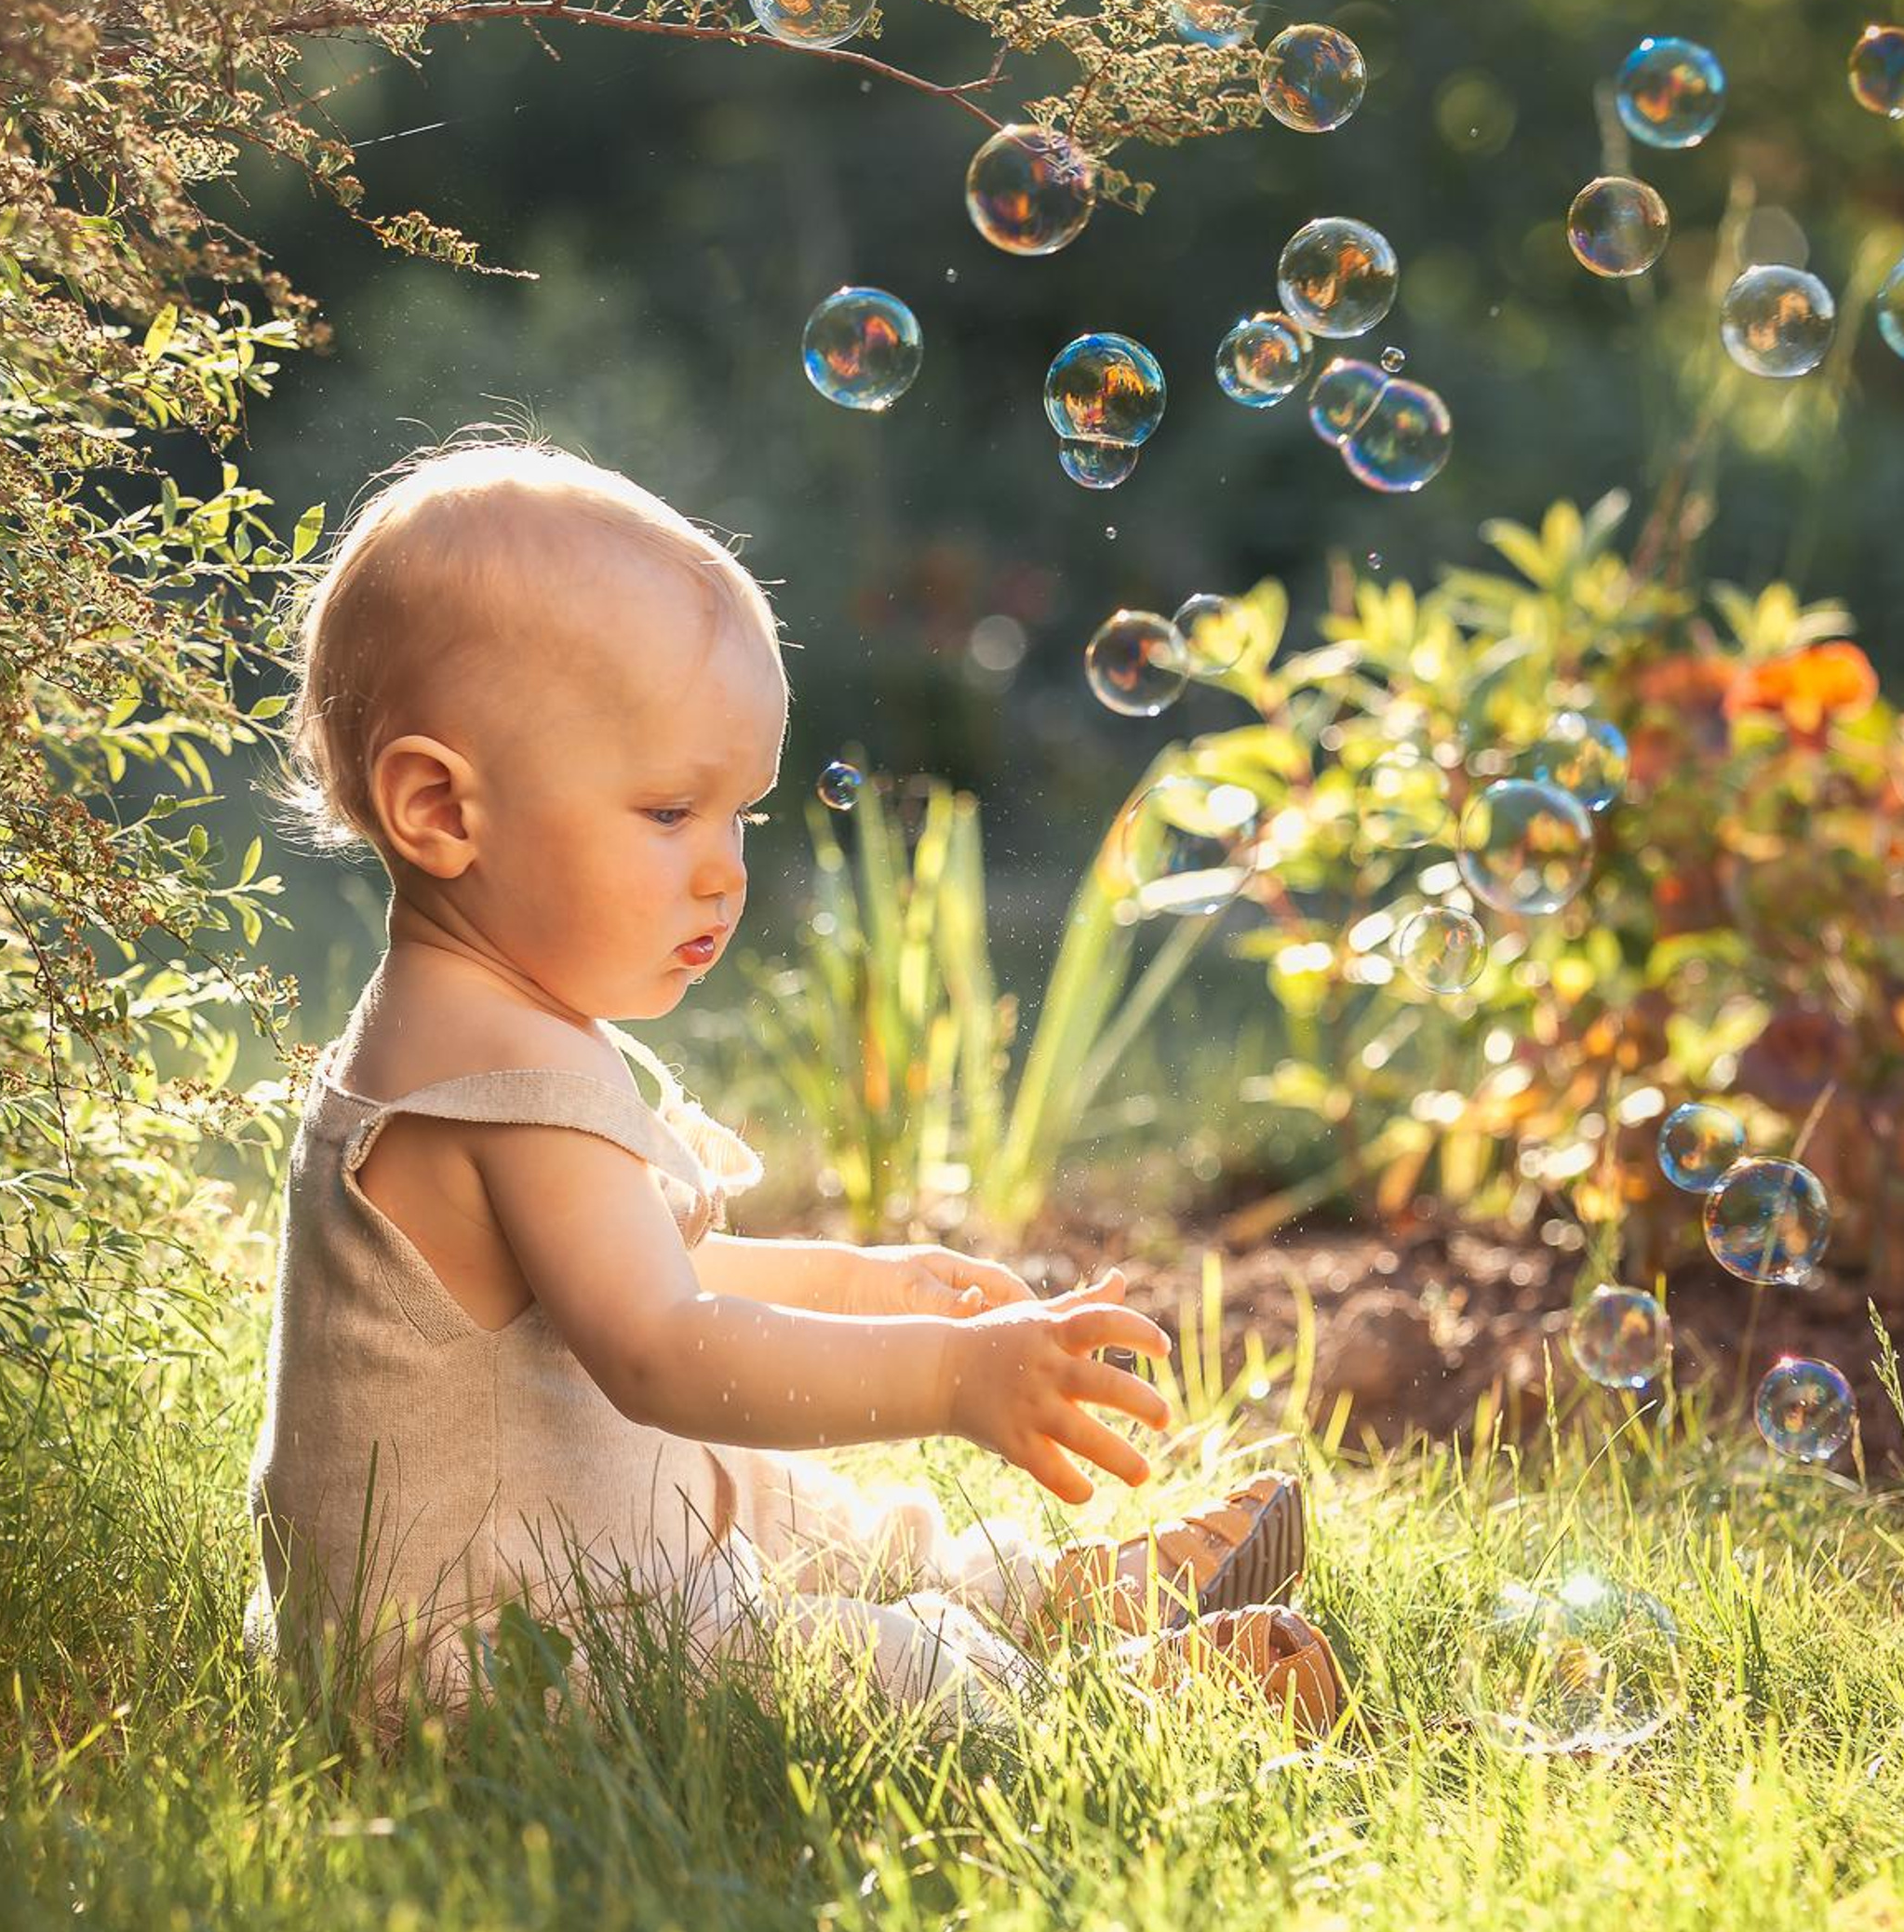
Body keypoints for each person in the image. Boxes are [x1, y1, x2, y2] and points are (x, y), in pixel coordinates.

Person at [245, 435, 1340, 1743]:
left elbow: (637, 1275)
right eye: (669, 813)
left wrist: (870, 1286)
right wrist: (948, 1379)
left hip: (519, 1568)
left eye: (742, 819)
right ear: (440, 808)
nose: (725, 871)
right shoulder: (504, 1080)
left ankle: (1035, 1594)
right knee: (818, 1656)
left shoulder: (462, 1025)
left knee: (753, 1494)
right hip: (481, 1665)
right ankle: (1085, 1702)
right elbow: (662, 1348)